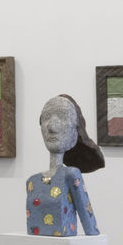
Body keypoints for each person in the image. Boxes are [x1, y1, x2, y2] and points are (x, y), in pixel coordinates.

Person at [23, 95, 103, 237]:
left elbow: (88, 220)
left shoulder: (71, 175)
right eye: (46, 117)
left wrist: (93, 238)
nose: (52, 127)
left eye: (62, 117)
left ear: (76, 130)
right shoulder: (32, 181)